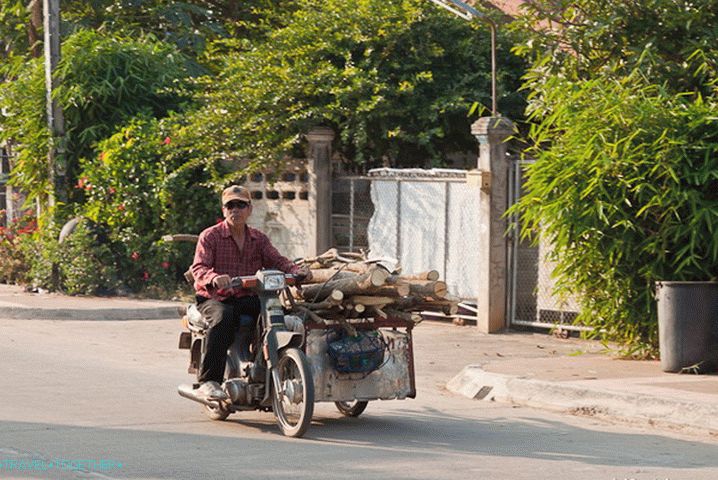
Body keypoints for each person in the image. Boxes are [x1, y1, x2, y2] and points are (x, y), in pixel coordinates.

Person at [190, 185, 311, 400]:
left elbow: (277, 260)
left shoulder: (258, 239)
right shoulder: (210, 236)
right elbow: (199, 268)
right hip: (216, 297)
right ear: (224, 209)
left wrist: (295, 271)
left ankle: (266, 366)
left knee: (280, 316)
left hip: (248, 296)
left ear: (250, 209)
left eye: (241, 205)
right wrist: (214, 278)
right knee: (223, 318)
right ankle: (209, 381)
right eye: (230, 205)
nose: (235, 210)